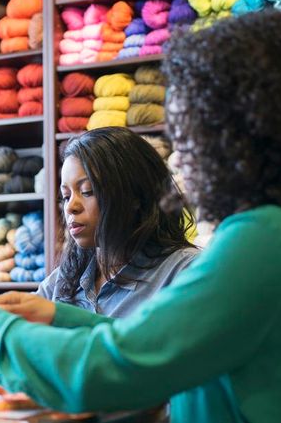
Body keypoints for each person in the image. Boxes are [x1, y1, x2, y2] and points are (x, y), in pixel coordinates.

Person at [0, 10, 281, 422]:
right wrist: (62, 317)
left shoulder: (266, 242)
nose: (185, 156)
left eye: (188, 131)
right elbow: (171, 347)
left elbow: (111, 370)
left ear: (234, 135)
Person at [36, 128, 198, 319]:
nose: (71, 207)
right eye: (65, 196)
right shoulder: (64, 279)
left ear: (135, 196)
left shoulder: (186, 273)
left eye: (87, 191)